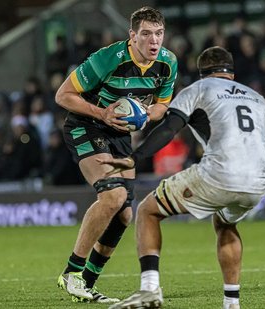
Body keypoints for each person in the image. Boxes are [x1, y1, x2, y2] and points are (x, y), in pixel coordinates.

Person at [99, 46, 265, 309]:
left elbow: (169, 128)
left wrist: (135, 157)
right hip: (257, 183)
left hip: (219, 174)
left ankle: (149, 289)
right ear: (232, 75)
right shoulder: (257, 99)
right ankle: (231, 304)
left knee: (147, 211)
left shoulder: (197, 90)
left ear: (202, 74)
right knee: (225, 223)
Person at [55, 6, 178, 304]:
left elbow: (163, 104)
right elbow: (63, 95)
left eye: (159, 34)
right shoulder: (107, 59)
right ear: (132, 36)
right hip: (87, 125)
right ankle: (71, 273)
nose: (154, 41)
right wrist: (102, 113)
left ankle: (85, 282)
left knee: (124, 213)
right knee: (111, 198)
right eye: (146, 34)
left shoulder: (167, 62)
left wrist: (149, 114)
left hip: (120, 132)